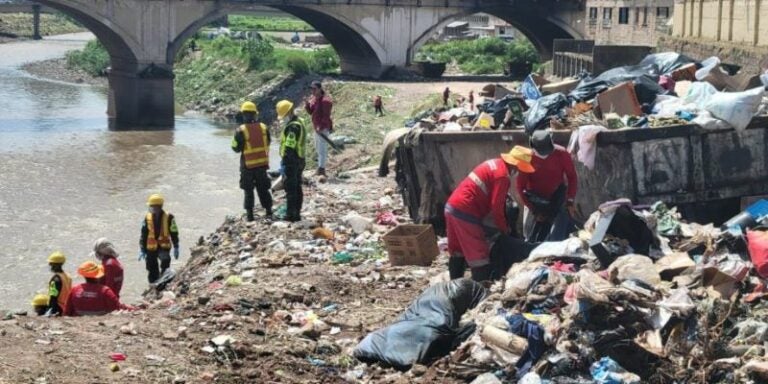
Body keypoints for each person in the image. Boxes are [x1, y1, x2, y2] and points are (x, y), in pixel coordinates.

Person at [444, 146, 535, 282]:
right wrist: (505, 230)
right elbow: (497, 208)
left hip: (452, 207)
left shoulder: (494, 164)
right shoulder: (502, 176)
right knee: (479, 256)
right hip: (466, 212)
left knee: (458, 251)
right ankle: (479, 291)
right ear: (516, 165)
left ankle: (453, 286)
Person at [516, 130, 578, 243]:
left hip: (556, 197)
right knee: (529, 235)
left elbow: (572, 177)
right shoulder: (526, 158)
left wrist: (570, 200)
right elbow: (520, 187)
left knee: (559, 234)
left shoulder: (562, 154)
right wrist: (534, 210)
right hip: (534, 199)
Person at [231, 101, 273, 221]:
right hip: (262, 165)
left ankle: (250, 216)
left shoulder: (241, 130)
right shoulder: (264, 128)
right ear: (255, 114)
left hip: (248, 165)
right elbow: (268, 142)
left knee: (248, 190)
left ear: (244, 114)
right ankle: (269, 211)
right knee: (263, 188)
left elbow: (235, 148)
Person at [276, 100, 307, 222]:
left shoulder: (292, 127)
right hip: (300, 159)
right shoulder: (300, 121)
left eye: (283, 116)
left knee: (290, 189)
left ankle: (290, 215)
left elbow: (289, 147)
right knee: (297, 187)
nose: (283, 119)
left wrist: (284, 164)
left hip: (292, 161)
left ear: (288, 112)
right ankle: (297, 213)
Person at [139, 194, 180, 284]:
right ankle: (153, 284)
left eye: (153, 206)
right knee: (151, 267)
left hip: (163, 246)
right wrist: (142, 248)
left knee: (165, 261)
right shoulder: (147, 217)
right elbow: (144, 233)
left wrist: (176, 245)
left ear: (159, 206)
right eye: (151, 206)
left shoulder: (169, 217)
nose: (151, 208)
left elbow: (174, 232)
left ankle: (164, 280)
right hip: (150, 247)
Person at [305, 80, 333, 176]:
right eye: (311, 89)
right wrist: (307, 105)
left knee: (322, 149)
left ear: (320, 89)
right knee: (318, 149)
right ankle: (320, 168)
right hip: (316, 128)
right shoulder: (314, 99)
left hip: (323, 128)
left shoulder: (326, 101)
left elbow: (326, 116)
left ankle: (322, 169)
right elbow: (311, 112)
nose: (312, 91)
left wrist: (320, 127)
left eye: (314, 89)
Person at [46, 251, 71, 316]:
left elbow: (53, 296)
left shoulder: (55, 279)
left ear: (55, 265)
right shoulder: (67, 276)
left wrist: (50, 310)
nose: (50, 266)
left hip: (57, 307)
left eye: (51, 264)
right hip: (65, 306)